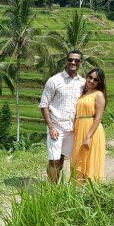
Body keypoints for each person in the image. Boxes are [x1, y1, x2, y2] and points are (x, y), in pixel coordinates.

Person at [39, 51, 86, 183]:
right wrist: (51, 127)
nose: (73, 62)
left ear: (81, 63)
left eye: (76, 60)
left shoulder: (83, 83)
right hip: (56, 128)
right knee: (54, 159)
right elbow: (44, 105)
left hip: (73, 129)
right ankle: (53, 190)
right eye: (70, 60)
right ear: (66, 61)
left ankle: (56, 182)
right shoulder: (54, 81)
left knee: (62, 159)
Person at [71, 68, 107, 184]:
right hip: (80, 127)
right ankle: (78, 186)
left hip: (91, 130)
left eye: (95, 80)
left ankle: (91, 188)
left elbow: (98, 118)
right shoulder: (84, 93)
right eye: (90, 77)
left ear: (99, 82)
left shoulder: (99, 95)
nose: (91, 81)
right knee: (78, 158)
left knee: (90, 158)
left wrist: (88, 136)